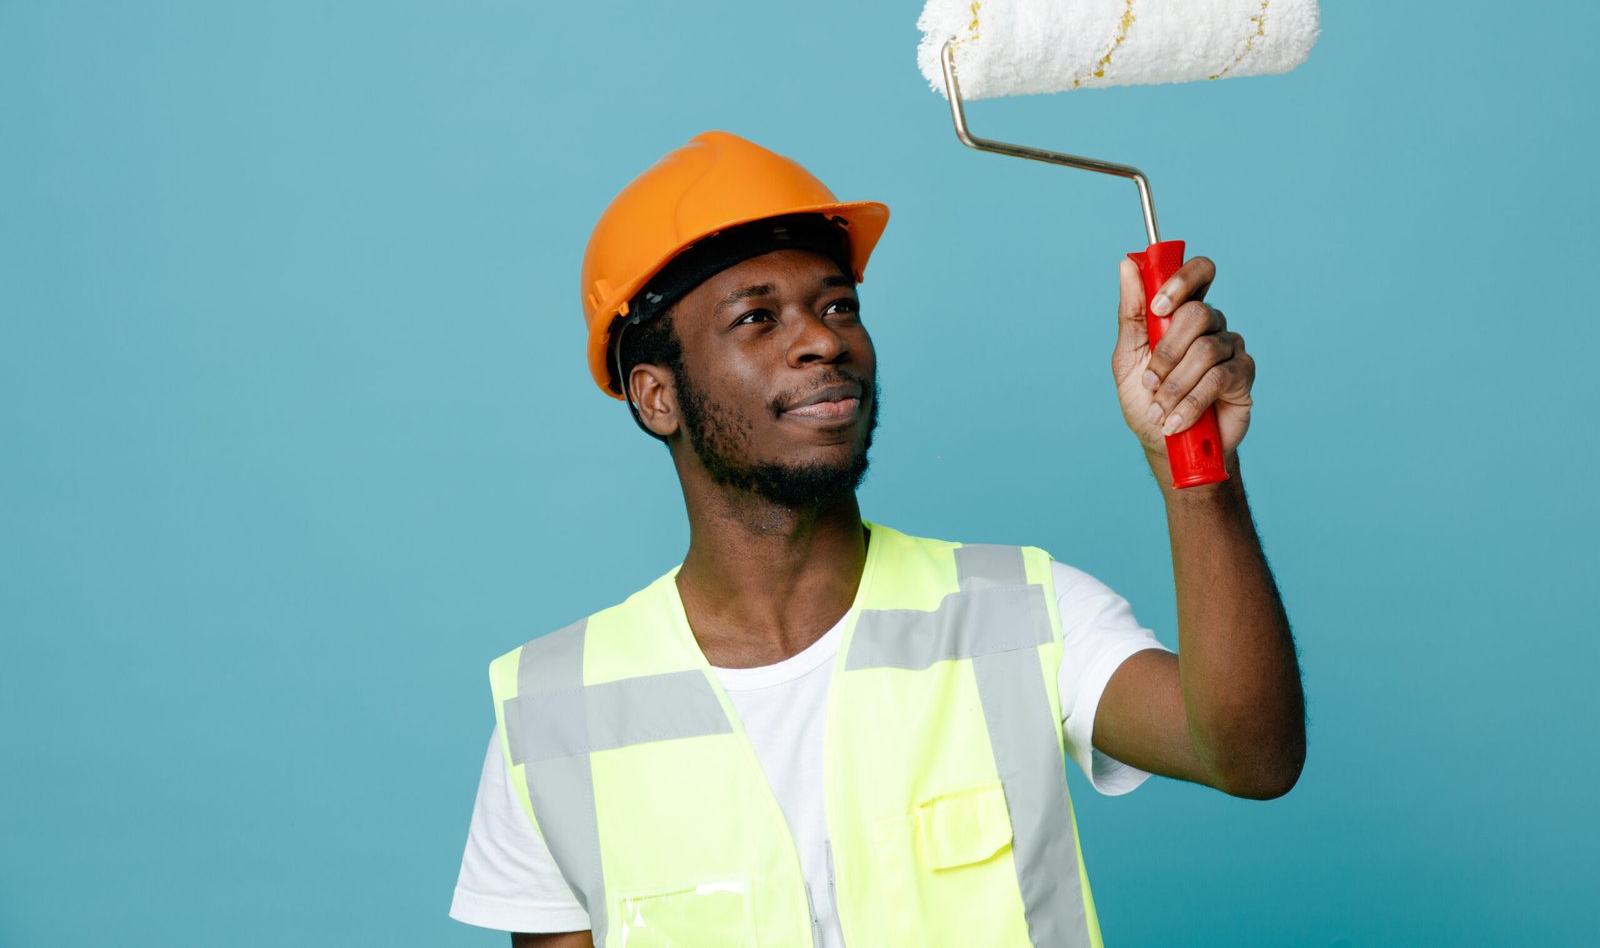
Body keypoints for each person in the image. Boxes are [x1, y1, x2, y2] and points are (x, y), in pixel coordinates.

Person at [450, 131, 1304, 947]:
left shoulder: (1021, 614)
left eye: (838, 306)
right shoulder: (551, 713)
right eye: (756, 318)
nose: (822, 338)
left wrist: (1197, 472)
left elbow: (1250, 753)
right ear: (655, 395)